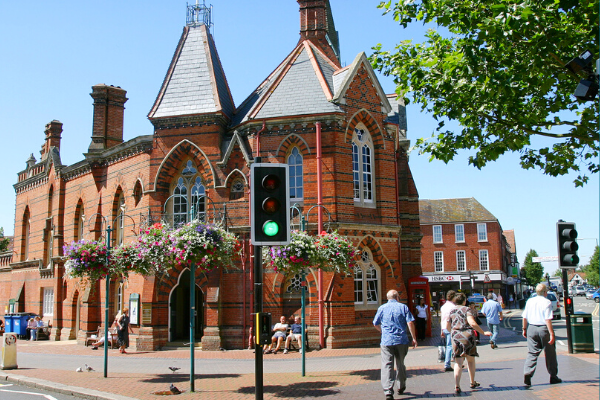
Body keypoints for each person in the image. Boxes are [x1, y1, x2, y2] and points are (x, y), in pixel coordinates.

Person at [373, 289, 417, 400]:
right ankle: (401, 386)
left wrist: (382, 331)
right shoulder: (403, 307)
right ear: (398, 297)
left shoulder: (382, 308)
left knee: (387, 365)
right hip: (401, 340)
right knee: (400, 363)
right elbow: (410, 322)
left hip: (387, 341)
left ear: (388, 298)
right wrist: (414, 338)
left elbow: (375, 323)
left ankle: (388, 391)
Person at [447, 293, 492, 395]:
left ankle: (457, 386)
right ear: (464, 301)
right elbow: (472, 323)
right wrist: (483, 332)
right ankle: (472, 382)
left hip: (456, 337)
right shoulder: (467, 310)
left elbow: (447, 326)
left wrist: (453, 333)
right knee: (470, 361)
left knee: (458, 363)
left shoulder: (452, 311)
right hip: (467, 336)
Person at [522, 283, 561, 386]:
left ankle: (528, 372)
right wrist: (552, 334)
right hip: (543, 329)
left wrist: (524, 329)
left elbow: (524, 317)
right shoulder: (547, 302)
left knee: (532, 352)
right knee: (550, 353)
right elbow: (548, 319)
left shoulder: (529, 301)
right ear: (545, 292)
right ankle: (553, 376)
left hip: (531, 328)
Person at [440, 290, 456, 372]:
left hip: (444, 328)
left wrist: (441, 330)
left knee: (449, 345)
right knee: (450, 346)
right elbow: (450, 319)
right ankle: (447, 364)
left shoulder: (443, 306)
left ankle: (456, 361)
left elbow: (442, 319)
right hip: (450, 327)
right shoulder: (453, 307)